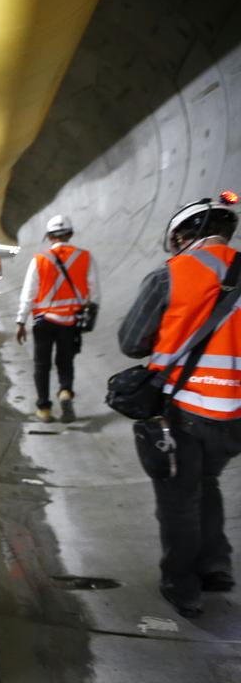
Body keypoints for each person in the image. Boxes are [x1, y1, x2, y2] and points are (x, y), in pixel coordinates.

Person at [118, 192, 241, 618]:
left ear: (187, 235)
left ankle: (182, 584)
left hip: (185, 410)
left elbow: (132, 342)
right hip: (235, 418)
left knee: (178, 498)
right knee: (208, 481)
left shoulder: (170, 275)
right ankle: (216, 565)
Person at [15, 214, 100, 423]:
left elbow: (29, 293)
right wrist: (89, 313)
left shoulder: (39, 260)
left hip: (44, 322)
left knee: (41, 365)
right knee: (65, 361)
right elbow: (94, 292)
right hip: (70, 322)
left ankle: (44, 408)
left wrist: (20, 321)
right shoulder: (85, 257)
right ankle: (65, 392)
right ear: (70, 234)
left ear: (49, 236)